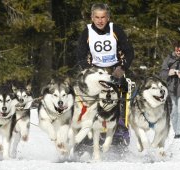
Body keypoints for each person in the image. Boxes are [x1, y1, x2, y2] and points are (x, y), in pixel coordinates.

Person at [76, 3, 134, 153]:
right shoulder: (87, 32)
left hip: (115, 70)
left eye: (103, 17)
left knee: (120, 93)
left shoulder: (116, 30)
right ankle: (86, 133)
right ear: (92, 17)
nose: (100, 21)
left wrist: (122, 67)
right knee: (90, 99)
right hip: (95, 71)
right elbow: (80, 54)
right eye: (97, 17)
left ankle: (119, 126)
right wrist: (88, 71)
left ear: (108, 17)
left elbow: (129, 51)